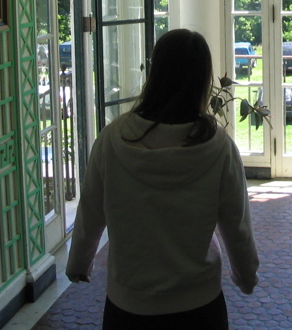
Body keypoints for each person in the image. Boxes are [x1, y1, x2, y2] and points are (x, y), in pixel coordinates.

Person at [66, 29, 259, 329]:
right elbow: (237, 225)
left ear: (155, 73)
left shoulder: (111, 140)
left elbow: (90, 211)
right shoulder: (219, 147)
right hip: (199, 305)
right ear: (202, 81)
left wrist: (79, 263)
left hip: (128, 305)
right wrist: (246, 276)